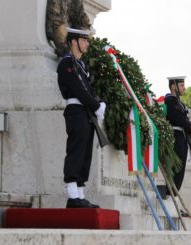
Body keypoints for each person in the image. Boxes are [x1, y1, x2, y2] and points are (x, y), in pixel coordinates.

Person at [57, 27, 106, 208]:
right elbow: (78, 89)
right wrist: (95, 106)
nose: (87, 43)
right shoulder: (66, 63)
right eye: (84, 40)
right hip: (76, 111)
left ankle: (80, 195)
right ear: (73, 42)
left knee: (85, 154)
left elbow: (88, 90)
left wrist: (99, 104)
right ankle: (72, 195)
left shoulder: (82, 66)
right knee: (76, 151)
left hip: (86, 112)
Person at [157, 76, 191, 200]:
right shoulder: (170, 101)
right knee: (176, 169)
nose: (184, 88)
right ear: (173, 86)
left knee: (180, 170)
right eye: (181, 85)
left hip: (181, 137)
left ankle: (172, 193)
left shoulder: (178, 102)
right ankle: (169, 192)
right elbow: (177, 119)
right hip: (175, 137)